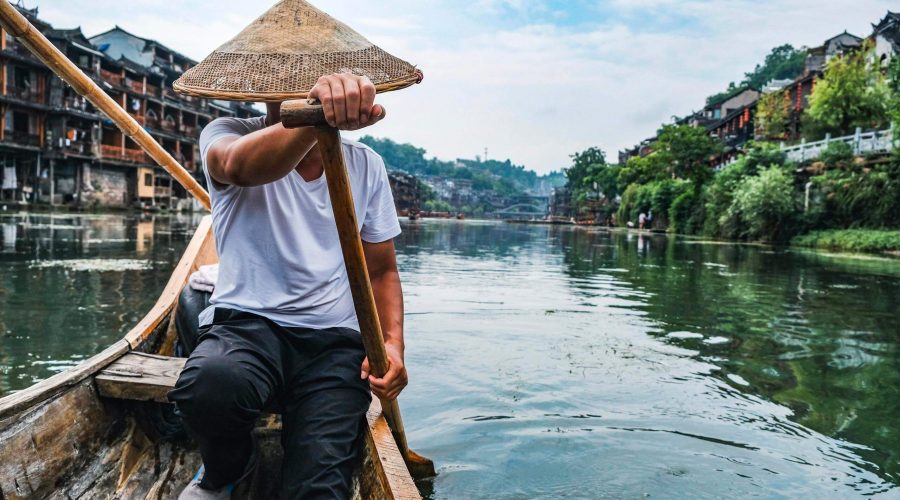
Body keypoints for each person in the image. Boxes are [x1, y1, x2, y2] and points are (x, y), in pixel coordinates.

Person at [169, 73, 408, 499]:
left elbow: (382, 272)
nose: (303, 83)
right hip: (246, 326)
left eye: (315, 77)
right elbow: (238, 167)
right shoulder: (227, 134)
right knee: (208, 388)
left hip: (333, 343)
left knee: (319, 487)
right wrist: (316, 120)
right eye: (292, 77)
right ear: (266, 86)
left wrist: (392, 346)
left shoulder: (366, 164)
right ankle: (229, 471)